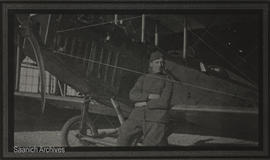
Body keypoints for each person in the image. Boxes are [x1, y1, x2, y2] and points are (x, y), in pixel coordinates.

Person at [117, 50, 173, 146]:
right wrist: (148, 96)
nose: (160, 65)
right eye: (157, 62)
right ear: (151, 64)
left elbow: (164, 102)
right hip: (138, 115)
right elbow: (132, 95)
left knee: (150, 144)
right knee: (123, 133)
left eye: (162, 63)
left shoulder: (168, 80)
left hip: (156, 117)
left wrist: (144, 103)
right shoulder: (143, 78)